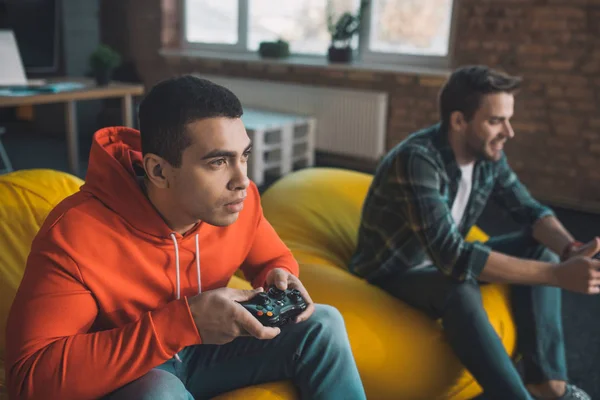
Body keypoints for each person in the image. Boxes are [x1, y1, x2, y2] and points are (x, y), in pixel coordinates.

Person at [6, 75, 366, 400]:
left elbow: (272, 259)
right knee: (158, 392)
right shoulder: (75, 234)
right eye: (218, 162)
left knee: (323, 323)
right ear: (159, 170)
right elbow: (31, 379)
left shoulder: (236, 202)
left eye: (244, 156)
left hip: (207, 351)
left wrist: (279, 275)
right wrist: (184, 322)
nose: (242, 180)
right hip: (126, 370)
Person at [349, 65, 599, 400]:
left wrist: (569, 250)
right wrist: (556, 275)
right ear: (458, 121)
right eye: (496, 121)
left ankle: (548, 384)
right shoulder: (416, 160)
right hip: (394, 269)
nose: (509, 132)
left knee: (541, 248)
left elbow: (530, 211)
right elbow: (453, 258)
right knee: (460, 287)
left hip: (440, 256)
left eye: (508, 119)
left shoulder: (488, 155)